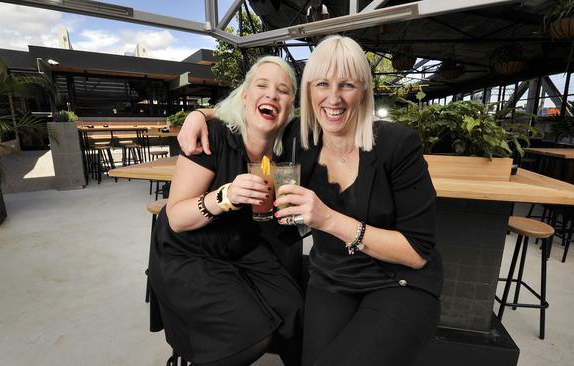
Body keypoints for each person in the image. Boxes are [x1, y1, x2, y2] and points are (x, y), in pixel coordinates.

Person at [178, 35, 443, 366]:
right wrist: (198, 115)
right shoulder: (298, 140)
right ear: (308, 92)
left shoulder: (397, 144)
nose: (333, 98)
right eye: (322, 84)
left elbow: (417, 253)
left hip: (399, 281)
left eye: (346, 84)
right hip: (332, 278)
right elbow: (246, 109)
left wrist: (329, 219)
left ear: (363, 91)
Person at [148, 56, 303, 366]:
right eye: (262, 85)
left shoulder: (289, 141)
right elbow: (176, 218)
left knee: (295, 311)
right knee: (251, 335)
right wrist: (226, 195)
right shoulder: (215, 135)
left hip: (241, 243)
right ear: (245, 96)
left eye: (283, 90)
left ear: (290, 106)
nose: (272, 94)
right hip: (188, 250)